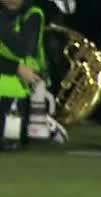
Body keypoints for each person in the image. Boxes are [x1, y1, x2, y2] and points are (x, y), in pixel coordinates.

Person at [0, 0, 43, 149]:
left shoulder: (33, 14)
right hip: (14, 78)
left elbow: (23, 48)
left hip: (19, 91)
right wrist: (16, 68)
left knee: (11, 140)